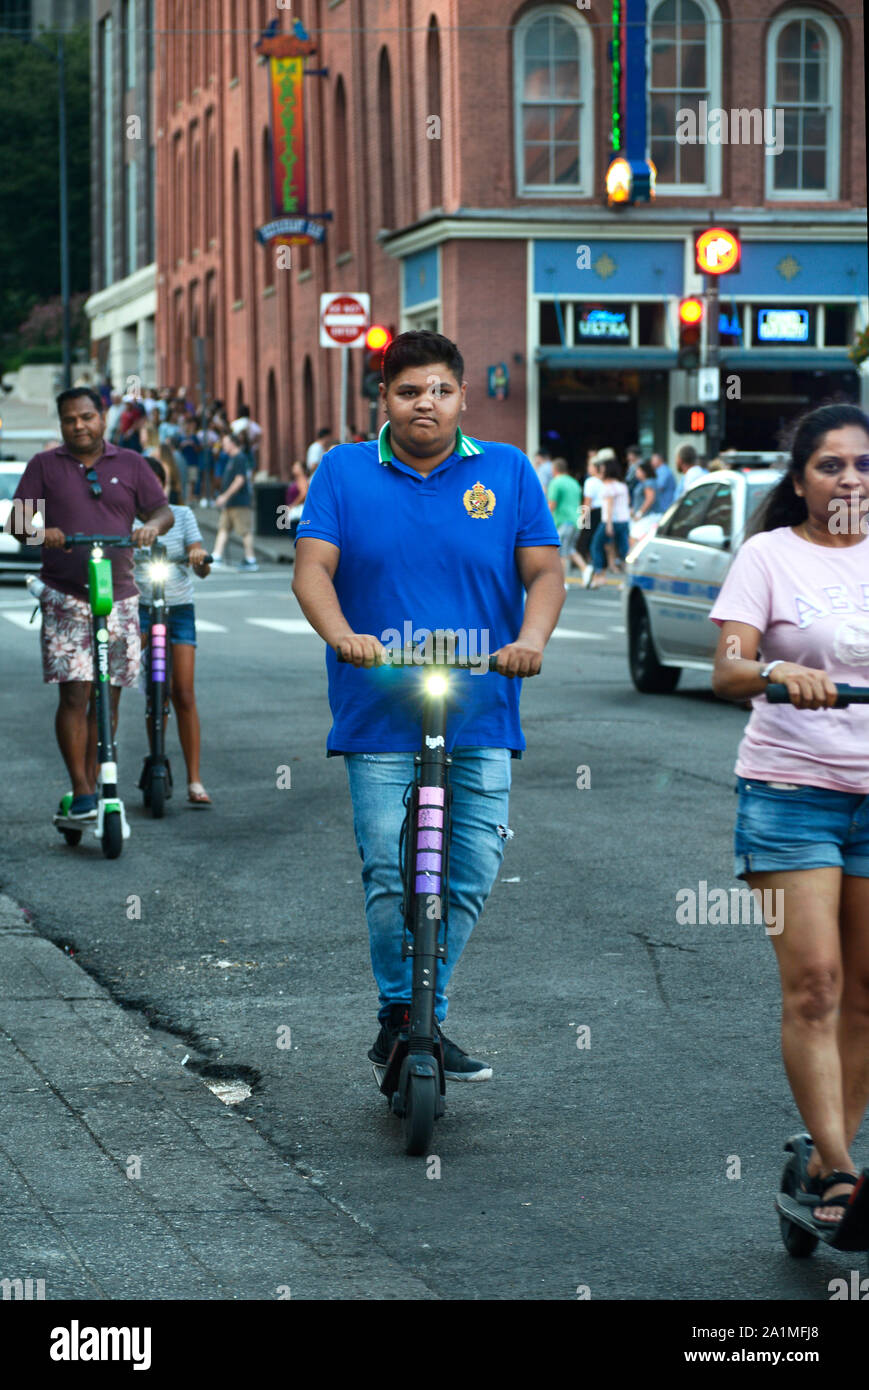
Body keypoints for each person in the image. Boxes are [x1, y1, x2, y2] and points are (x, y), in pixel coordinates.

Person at [292, 329, 563, 1079]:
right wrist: (344, 634)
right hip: (376, 707)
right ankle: (402, 1017)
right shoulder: (343, 471)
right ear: (384, 398)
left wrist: (530, 640)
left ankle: (422, 1015)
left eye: (440, 389)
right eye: (409, 390)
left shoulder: (506, 472)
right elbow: (313, 568)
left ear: (462, 397)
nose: (426, 403)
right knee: (390, 869)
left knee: (470, 870)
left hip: (480, 703)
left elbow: (543, 573)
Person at [710, 403, 869, 1229]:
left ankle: (819, 1152)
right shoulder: (768, 555)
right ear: (799, 479)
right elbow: (726, 668)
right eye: (829, 465)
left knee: (867, 993)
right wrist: (775, 668)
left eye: (862, 465)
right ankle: (841, 1173)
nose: (849, 479)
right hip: (788, 793)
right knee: (815, 985)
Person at [7, 388, 172, 818]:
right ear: (61, 425)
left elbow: (162, 512)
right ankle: (81, 790)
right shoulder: (44, 465)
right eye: (69, 420)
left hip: (120, 597)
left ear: (102, 418)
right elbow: (19, 525)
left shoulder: (132, 464)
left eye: (86, 417)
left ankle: (98, 778)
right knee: (75, 696)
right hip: (65, 597)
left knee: (108, 698)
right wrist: (45, 535)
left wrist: (150, 528)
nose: (79, 425)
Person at [135, 456, 213, 805]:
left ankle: (194, 780)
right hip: (138, 609)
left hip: (178, 608)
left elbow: (199, 558)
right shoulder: (126, 519)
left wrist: (199, 557)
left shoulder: (181, 515)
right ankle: (155, 759)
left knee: (183, 692)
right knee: (152, 691)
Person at [211, 432, 258, 570]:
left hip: (239, 502)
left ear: (232, 443)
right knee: (223, 528)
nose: (223, 446)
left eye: (225, 443)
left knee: (245, 531)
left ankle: (251, 559)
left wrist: (225, 496)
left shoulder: (239, 458)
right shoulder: (232, 458)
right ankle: (217, 556)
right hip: (231, 503)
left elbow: (240, 480)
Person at [587, 454, 631, 588]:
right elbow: (627, 502)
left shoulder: (607, 487)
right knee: (624, 550)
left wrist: (609, 525)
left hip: (609, 521)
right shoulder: (622, 486)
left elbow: (610, 506)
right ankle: (629, 578)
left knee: (596, 546)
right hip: (624, 520)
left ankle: (599, 574)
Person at [547, 457, 581, 584]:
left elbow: (552, 504)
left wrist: (545, 520)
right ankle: (585, 569)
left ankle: (562, 581)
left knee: (561, 552)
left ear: (555, 469)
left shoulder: (556, 482)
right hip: (575, 520)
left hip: (563, 521)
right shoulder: (574, 482)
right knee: (569, 549)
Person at [629, 459, 660, 547]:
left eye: (638, 470)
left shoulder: (649, 482)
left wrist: (639, 513)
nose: (636, 472)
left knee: (635, 538)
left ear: (644, 471)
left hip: (648, 516)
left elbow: (650, 499)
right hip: (645, 516)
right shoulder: (644, 482)